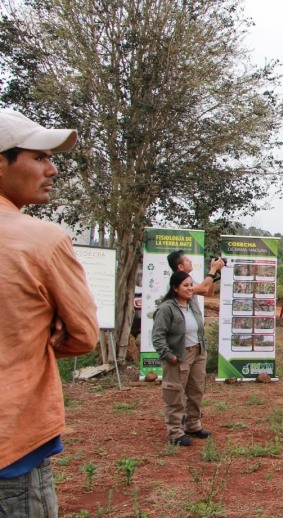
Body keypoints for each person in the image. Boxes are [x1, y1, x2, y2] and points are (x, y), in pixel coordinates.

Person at [0, 109, 99, 515]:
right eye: (39, 157)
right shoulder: (41, 239)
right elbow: (84, 335)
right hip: (13, 441)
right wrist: (38, 336)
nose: (52, 169)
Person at [151, 271, 211, 446]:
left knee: (196, 391)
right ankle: (175, 432)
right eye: (185, 285)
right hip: (179, 355)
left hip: (198, 352)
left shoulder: (192, 303)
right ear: (175, 288)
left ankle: (193, 425)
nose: (190, 288)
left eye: (191, 284)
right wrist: (170, 357)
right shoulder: (166, 308)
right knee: (175, 393)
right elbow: (158, 337)